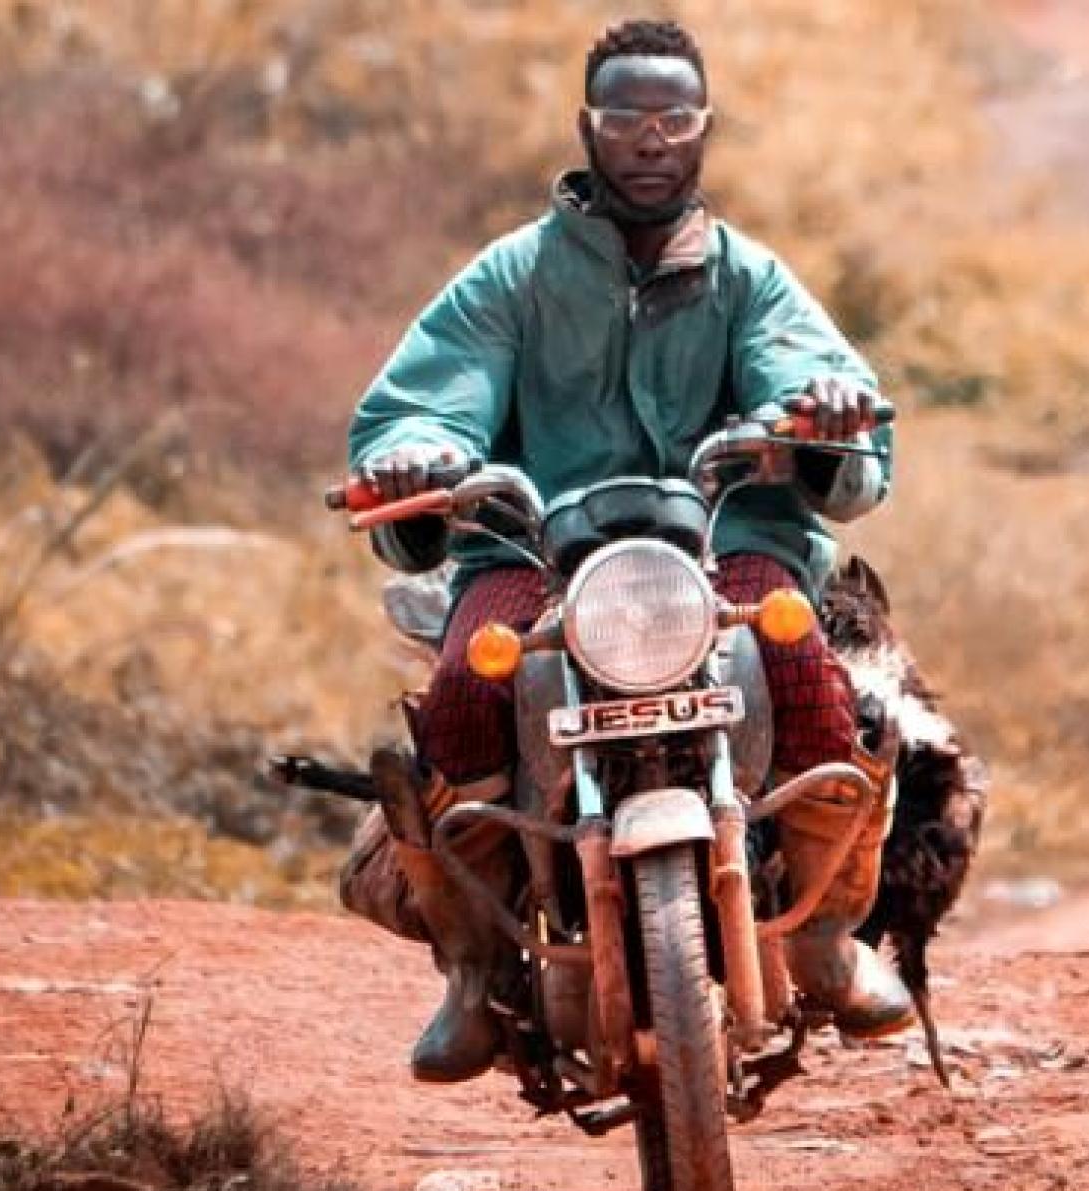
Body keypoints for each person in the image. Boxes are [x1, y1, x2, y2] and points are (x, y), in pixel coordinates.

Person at [337, 19, 913, 1084]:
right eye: (626, 119)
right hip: (534, 550)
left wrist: (822, 412)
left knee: (809, 677)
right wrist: (421, 451)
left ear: (704, 129)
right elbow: (426, 400)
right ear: (587, 129)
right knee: (466, 692)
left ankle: (827, 936)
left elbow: (819, 383)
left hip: (724, 544)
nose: (651, 140)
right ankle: (470, 972)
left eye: (673, 119)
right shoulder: (511, 277)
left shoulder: (752, 279)